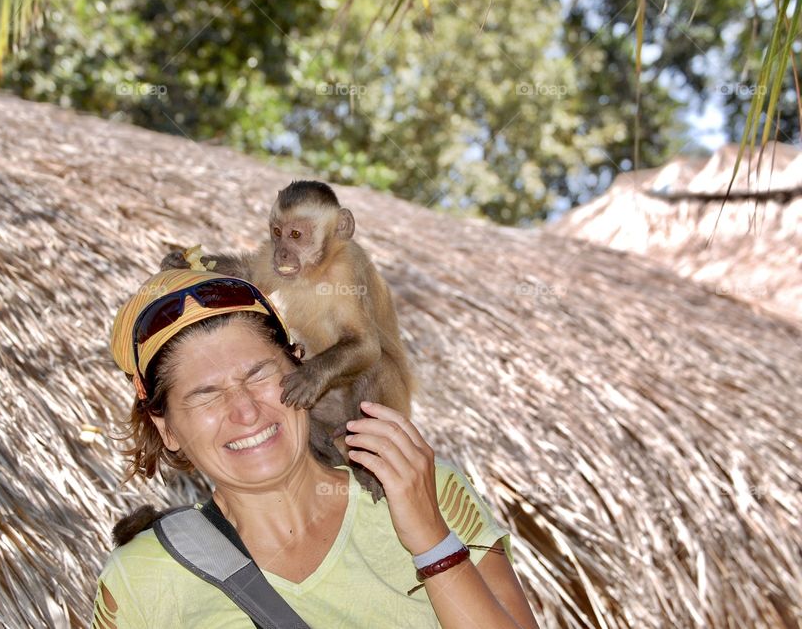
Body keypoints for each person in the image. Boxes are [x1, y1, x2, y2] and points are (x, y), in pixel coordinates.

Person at [92, 268, 540, 628]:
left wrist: (432, 543)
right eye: (206, 395)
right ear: (166, 428)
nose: (245, 411)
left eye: (260, 375)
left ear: (303, 369)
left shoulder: (424, 491)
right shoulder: (140, 579)